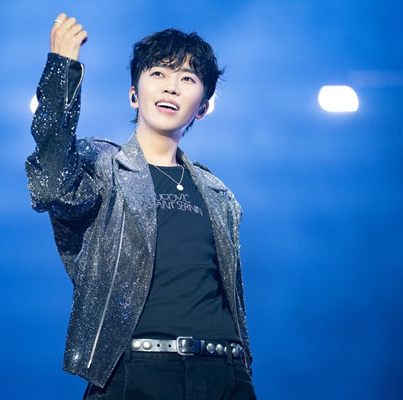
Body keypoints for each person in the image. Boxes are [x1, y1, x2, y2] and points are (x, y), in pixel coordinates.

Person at [25, 12, 257, 400]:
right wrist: (62, 68)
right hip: (136, 373)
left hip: (225, 373)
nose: (171, 87)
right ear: (134, 94)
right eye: (158, 73)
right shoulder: (102, 166)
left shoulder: (219, 194)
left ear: (202, 107)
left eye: (187, 79)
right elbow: (50, 183)